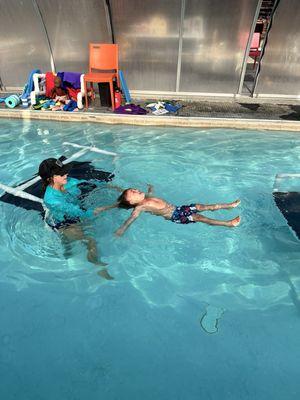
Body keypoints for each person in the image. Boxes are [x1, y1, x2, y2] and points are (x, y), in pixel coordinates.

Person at [38, 158, 116, 279]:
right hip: (64, 223)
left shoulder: (67, 181)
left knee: (69, 243)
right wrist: (113, 205)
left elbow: (88, 182)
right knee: (90, 240)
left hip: (73, 214)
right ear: (50, 178)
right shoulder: (52, 200)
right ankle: (97, 265)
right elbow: (83, 213)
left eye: (65, 171)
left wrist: (113, 187)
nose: (66, 174)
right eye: (62, 173)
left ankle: (68, 253)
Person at [102, 185, 240, 237]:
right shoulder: (140, 207)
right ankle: (228, 224)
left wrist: (150, 190)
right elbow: (132, 218)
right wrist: (122, 229)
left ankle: (229, 205)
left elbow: (124, 200)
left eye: (136, 189)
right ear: (132, 202)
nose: (137, 190)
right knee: (201, 218)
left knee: (204, 206)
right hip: (175, 216)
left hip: (179, 208)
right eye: (134, 192)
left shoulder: (146, 198)